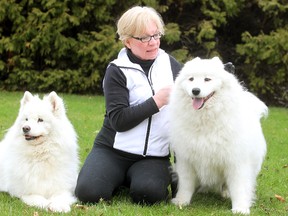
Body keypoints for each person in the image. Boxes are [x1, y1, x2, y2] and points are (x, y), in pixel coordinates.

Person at [75, 6, 182, 205]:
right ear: (127, 41)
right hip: (111, 150)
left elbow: (198, 84)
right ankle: (115, 176)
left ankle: (133, 179)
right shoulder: (116, 70)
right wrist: (158, 101)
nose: (153, 42)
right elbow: (119, 121)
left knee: (148, 195)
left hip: (153, 156)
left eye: (156, 35)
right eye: (144, 38)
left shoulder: (171, 65)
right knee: (89, 193)